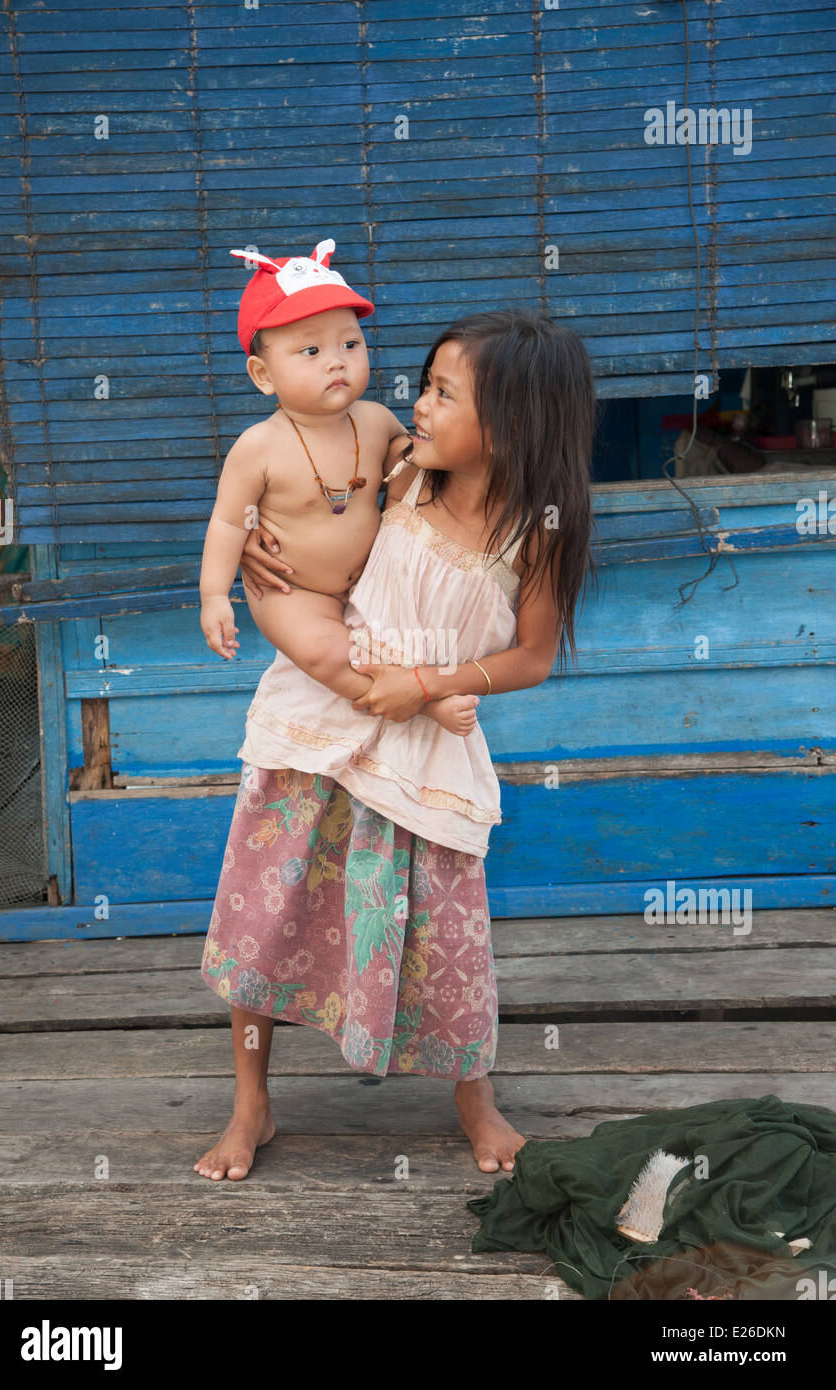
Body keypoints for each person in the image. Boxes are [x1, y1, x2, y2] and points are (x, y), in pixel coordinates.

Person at [195, 302, 597, 1181]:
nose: (418, 406)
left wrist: (430, 684)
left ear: (514, 425)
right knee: (267, 919)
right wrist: (261, 548)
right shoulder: (404, 473)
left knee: (447, 944)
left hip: (424, 744)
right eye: (424, 384)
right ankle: (251, 1104)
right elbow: (302, 483)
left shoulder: (537, 535)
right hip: (319, 729)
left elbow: (529, 657)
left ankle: (474, 1100)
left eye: (444, 395)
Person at [199, 237, 480, 736]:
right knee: (326, 653)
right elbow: (226, 521)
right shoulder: (258, 446)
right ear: (263, 375)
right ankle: (420, 704)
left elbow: (414, 465)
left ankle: (413, 683)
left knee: (387, 643)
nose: (337, 361)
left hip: (363, 586)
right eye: (311, 350)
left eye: (350, 344)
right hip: (291, 591)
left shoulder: (375, 421)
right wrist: (214, 596)